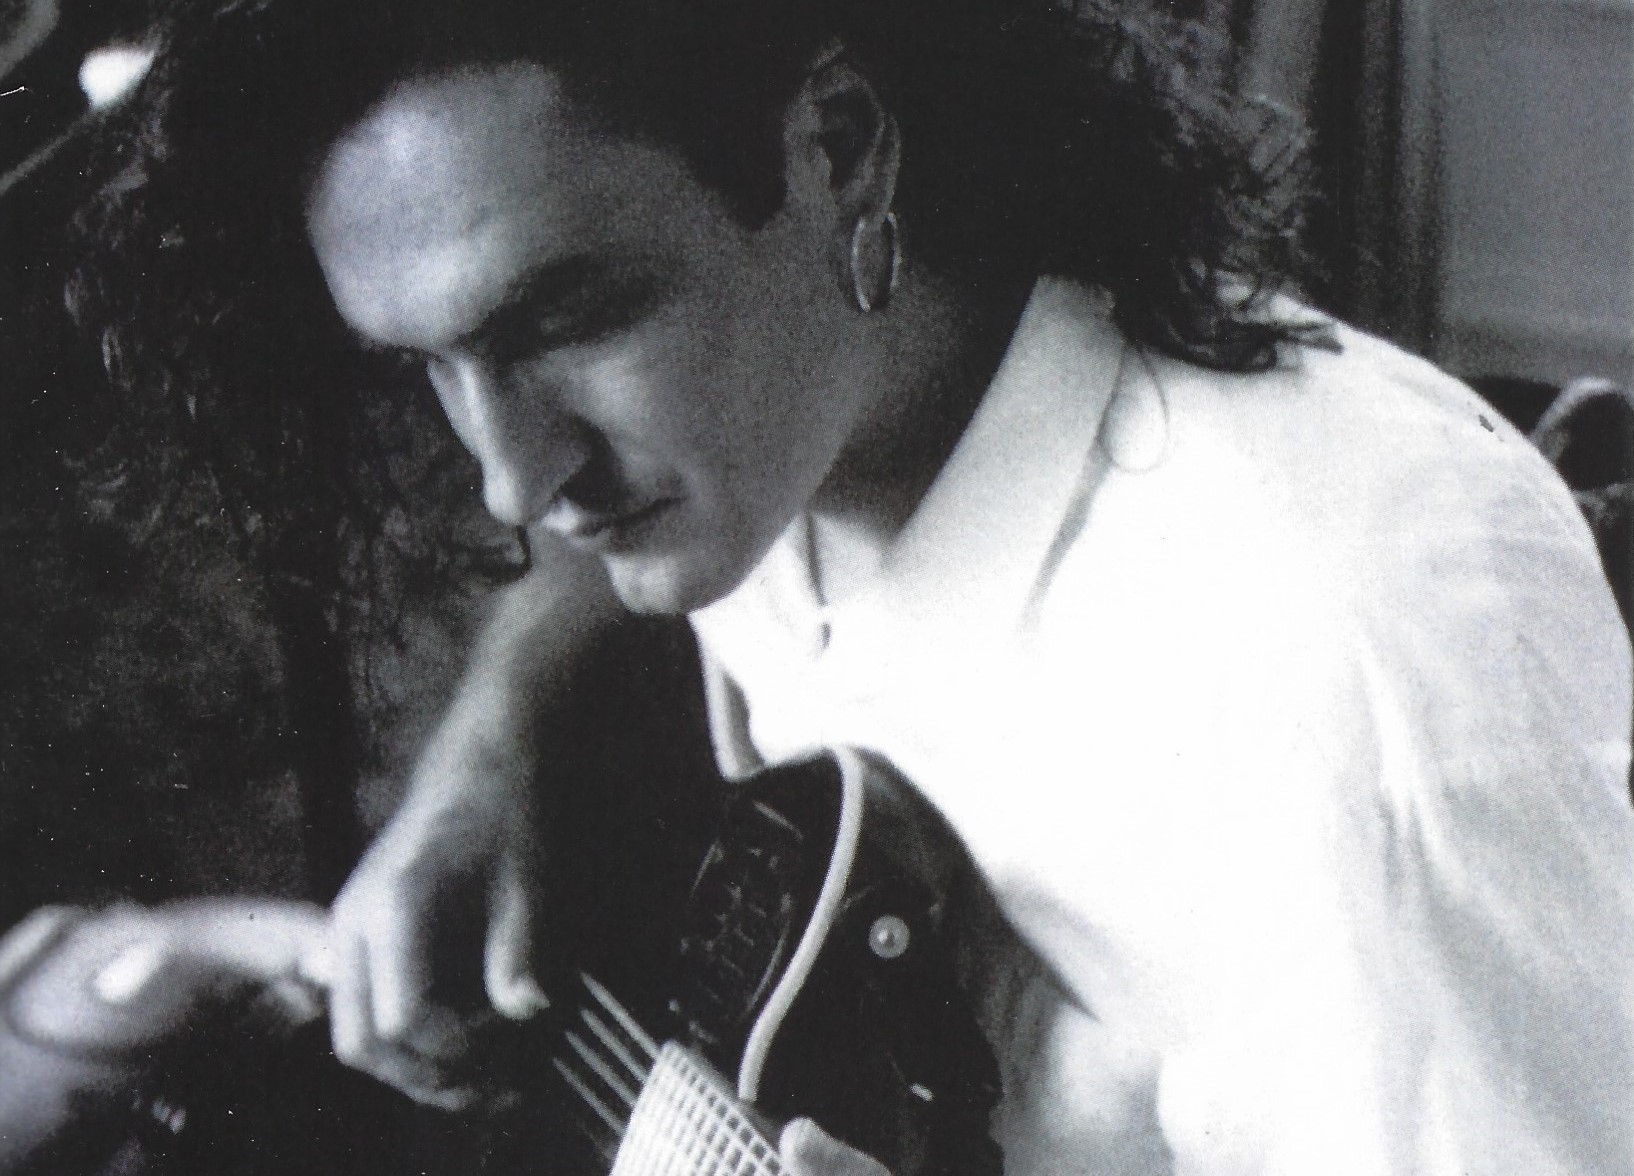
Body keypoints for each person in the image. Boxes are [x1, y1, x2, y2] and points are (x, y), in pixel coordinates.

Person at [65, 0, 1634, 1172]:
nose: (508, 483)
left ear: (834, 145)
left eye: (561, 318)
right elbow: (610, 560)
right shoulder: (800, 415)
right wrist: (490, 749)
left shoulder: (1346, 692)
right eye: (427, 364)